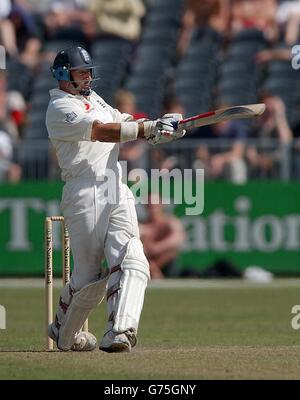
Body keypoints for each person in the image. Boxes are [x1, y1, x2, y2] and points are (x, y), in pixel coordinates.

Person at [45, 46, 185, 352]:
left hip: (114, 183)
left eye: (88, 71)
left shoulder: (92, 98)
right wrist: (147, 128)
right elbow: (101, 131)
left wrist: (158, 127)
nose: (87, 77)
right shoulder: (59, 107)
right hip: (85, 190)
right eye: (80, 72)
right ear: (62, 75)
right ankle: (61, 330)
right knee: (89, 277)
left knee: (133, 257)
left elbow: (121, 119)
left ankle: (121, 332)